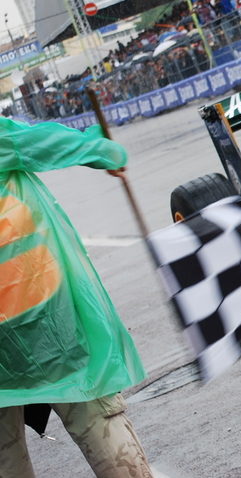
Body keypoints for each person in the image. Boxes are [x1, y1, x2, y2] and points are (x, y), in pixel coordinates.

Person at [0, 118, 152, 478]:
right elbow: (44, 142)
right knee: (93, 413)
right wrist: (100, 149)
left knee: (4, 453)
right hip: (39, 314)